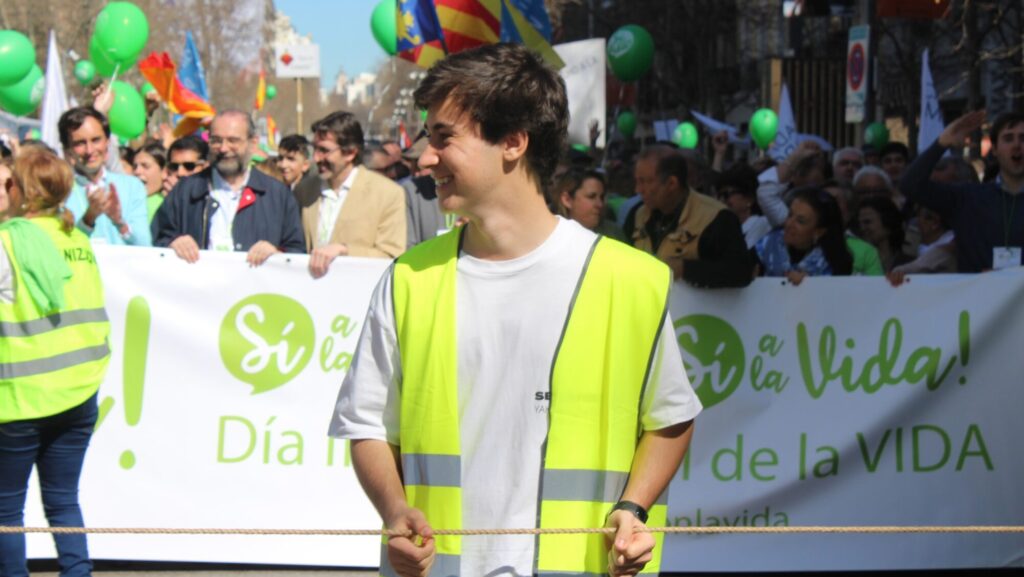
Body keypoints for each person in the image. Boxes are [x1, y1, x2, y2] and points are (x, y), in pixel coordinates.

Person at [329, 43, 700, 577]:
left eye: (443, 137)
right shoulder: (409, 279)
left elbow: (671, 418)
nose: (424, 156)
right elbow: (366, 424)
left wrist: (633, 508)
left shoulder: (628, 279)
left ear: (513, 142)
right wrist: (393, 511)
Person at [0, 148, 111, 577]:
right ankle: (78, 572)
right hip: (79, 393)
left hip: (21, 399)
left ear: (23, 191)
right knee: (64, 498)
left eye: (10, 183)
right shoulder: (77, 239)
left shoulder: (8, 242)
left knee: (7, 508)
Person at [151, 110, 305, 265]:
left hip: (255, 288)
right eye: (216, 140)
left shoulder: (277, 196)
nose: (223, 148)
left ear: (253, 143)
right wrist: (173, 243)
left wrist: (277, 255)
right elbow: (156, 239)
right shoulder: (185, 191)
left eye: (233, 140)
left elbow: (297, 254)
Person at [901, 110, 1024, 272]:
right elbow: (910, 185)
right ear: (994, 149)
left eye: (1023, 138)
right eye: (1008, 139)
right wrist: (942, 143)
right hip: (982, 296)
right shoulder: (967, 198)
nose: (1017, 145)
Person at [298, 111, 407, 278]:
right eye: (314, 149)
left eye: (324, 150)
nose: (316, 158)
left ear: (350, 152)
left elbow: (391, 255)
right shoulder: (304, 191)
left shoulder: (388, 194)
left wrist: (344, 251)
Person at [632, 152, 752, 287]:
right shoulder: (638, 215)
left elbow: (740, 272)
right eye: (636, 181)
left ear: (672, 183)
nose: (638, 190)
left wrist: (685, 268)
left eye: (644, 182)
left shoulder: (716, 217)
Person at [60, 107, 151, 247]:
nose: (90, 150)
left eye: (96, 140)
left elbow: (145, 246)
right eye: (80, 143)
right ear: (67, 150)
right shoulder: (59, 192)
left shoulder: (132, 186)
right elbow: (62, 247)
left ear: (107, 143)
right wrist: (88, 220)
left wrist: (120, 222)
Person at [754, 187, 853, 285]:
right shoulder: (768, 243)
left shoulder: (834, 263)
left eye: (800, 221)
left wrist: (809, 284)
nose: (789, 224)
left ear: (819, 232)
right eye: (790, 215)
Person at [551, 169, 627, 241]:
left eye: (602, 197)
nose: (600, 204)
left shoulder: (614, 233)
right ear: (567, 199)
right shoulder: (550, 233)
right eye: (591, 197)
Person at [716, 163, 770, 248]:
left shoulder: (761, 224)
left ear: (749, 198)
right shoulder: (725, 229)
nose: (722, 201)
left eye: (726, 195)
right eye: (720, 196)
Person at [852, 195, 912, 273]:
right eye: (859, 224)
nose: (862, 228)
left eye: (867, 222)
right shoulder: (853, 264)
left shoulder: (909, 265)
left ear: (888, 223)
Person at [132, 142, 169, 222]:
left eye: (145, 166)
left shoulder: (169, 205)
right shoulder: (129, 201)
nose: (137, 171)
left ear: (164, 171)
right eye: (135, 167)